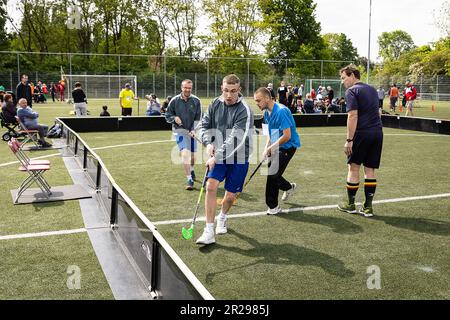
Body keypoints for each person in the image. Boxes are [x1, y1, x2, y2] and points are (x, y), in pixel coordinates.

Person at [196, 74, 254, 245]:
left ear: (239, 90)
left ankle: (222, 216)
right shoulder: (215, 103)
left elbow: (236, 138)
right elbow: (204, 125)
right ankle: (208, 231)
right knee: (211, 186)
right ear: (222, 88)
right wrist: (207, 143)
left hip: (239, 156)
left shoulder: (245, 110)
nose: (229, 95)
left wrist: (217, 156)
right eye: (226, 90)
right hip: (219, 155)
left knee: (229, 196)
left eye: (233, 91)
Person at [338, 64, 383, 218]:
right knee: (370, 170)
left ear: (352, 75)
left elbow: (352, 116)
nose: (343, 81)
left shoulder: (351, 91)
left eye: (344, 78)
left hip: (361, 134)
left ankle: (350, 205)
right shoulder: (372, 89)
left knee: (354, 168)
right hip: (377, 133)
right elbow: (378, 112)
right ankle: (368, 207)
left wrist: (349, 140)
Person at [254, 87, 300, 215]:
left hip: (288, 146)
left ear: (267, 98)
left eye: (258, 100)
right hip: (277, 145)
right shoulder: (266, 113)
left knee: (272, 174)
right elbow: (271, 133)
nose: (257, 103)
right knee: (272, 173)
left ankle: (273, 207)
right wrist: (266, 149)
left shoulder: (281, 111)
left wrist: (270, 148)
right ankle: (289, 187)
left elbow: (287, 136)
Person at [165, 79, 202, 190]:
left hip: (192, 132)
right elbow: (167, 115)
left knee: (193, 158)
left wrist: (194, 130)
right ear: (181, 88)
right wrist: (174, 118)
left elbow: (198, 118)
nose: (187, 90)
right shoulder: (174, 101)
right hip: (179, 131)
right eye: (185, 88)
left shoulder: (196, 101)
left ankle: (191, 169)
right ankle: (189, 179)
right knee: (185, 154)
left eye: (189, 88)